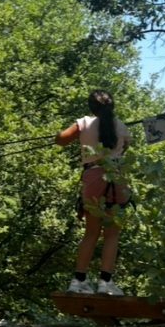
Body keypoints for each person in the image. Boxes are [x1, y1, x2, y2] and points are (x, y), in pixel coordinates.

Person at [55, 89, 131, 296]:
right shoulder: (121, 126)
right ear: (112, 106)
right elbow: (125, 148)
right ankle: (105, 282)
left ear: (91, 107)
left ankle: (79, 280)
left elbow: (61, 139)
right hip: (116, 176)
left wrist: (63, 135)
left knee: (91, 232)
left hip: (93, 176)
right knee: (112, 234)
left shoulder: (84, 123)